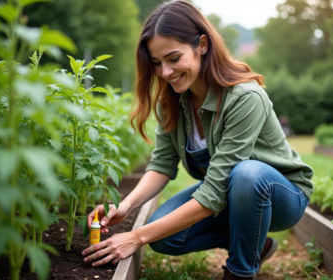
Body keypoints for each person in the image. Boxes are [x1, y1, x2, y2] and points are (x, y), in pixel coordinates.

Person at [81, 1, 313, 279]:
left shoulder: (244, 97)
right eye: (156, 63)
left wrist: (135, 237)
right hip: (230, 193)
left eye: (173, 58)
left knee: (247, 174)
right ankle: (256, 245)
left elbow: (215, 191)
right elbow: (163, 163)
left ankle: (240, 271)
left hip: (281, 196)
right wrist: (126, 205)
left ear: (202, 44)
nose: (165, 72)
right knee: (163, 236)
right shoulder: (172, 101)